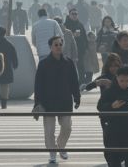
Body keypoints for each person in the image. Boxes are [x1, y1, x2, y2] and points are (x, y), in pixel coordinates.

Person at [34, 36, 81, 164]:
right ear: (50, 47)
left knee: (67, 127)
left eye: (60, 44)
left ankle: (61, 146)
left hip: (65, 100)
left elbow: (74, 82)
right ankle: (52, 153)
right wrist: (37, 102)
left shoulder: (68, 62)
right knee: (49, 131)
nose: (59, 46)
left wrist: (77, 97)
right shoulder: (43, 63)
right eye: (56, 44)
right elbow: (38, 84)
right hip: (47, 101)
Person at [97, 65, 128, 167]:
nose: (125, 83)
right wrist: (111, 106)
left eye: (127, 81)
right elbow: (100, 106)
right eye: (122, 81)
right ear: (117, 78)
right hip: (112, 132)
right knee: (113, 160)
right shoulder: (109, 91)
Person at [65, 8, 91, 83]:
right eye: (72, 14)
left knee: (81, 66)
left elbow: (84, 36)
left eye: (76, 14)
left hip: (80, 49)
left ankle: (81, 81)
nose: (74, 15)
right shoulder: (66, 25)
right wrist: (73, 35)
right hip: (69, 50)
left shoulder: (80, 24)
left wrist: (86, 47)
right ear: (69, 15)